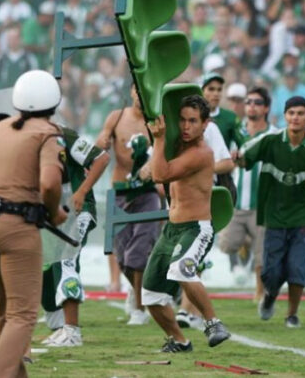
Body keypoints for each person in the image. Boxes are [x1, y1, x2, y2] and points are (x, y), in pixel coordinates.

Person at [0, 70, 66, 376]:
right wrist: (53, 212)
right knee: (22, 315)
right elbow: (50, 184)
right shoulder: (47, 132)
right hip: (15, 225)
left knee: (1, 310)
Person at [237, 96, 305, 328]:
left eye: (300, 113)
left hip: (303, 216)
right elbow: (244, 157)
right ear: (284, 116)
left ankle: (292, 314)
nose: (295, 118)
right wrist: (237, 158)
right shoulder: (270, 140)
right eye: (291, 113)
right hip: (273, 216)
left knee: (296, 267)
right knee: (271, 272)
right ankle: (270, 296)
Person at [142, 95, 231, 352]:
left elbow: (160, 175)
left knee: (181, 270)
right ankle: (180, 341)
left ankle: (214, 323)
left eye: (193, 121)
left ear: (205, 125)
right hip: (171, 229)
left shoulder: (202, 153)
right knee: (150, 296)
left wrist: (158, 139)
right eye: (181, 120)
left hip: (196, 228)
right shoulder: (177, 145)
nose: (185, 126)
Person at [95, 85, 163, 326]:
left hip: (148, 192)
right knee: (122, 254)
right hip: (120, 192)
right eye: (137, 89)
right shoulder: (116, 116)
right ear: (132, 91)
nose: (140, 95)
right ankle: (135, 290)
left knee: (139, 250)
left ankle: (139, 308)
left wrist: (153, 164)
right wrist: (102, 141)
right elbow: (100, 143)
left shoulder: (157, 120)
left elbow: (166, 151)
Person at [41, 124, 110, 347]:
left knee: (66, 258)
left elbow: (101, 158)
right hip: (53, 214)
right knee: (49, 265)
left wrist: (81, 191)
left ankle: (72, 332)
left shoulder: (64, 134)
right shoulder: (24, 134)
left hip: (79, 210)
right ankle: (60, 327)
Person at [219, 87, 273, 301]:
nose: (251, 105)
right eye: (248, 101)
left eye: (257, 102)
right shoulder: (236, 132)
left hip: (262, 203)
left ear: (266, 108)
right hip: (236, 201)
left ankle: (259, 292)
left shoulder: (274, 134)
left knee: (261, 254)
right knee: (227, 244)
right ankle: (245, 241)